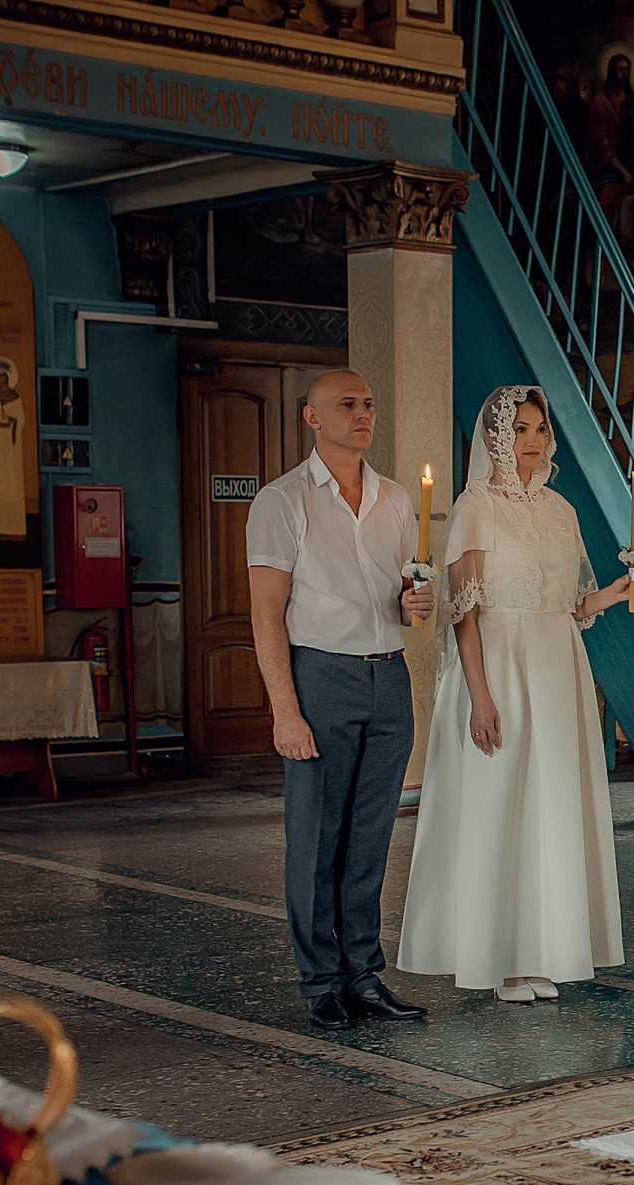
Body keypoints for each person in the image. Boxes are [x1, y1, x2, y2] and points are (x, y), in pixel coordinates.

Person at [398, 386, 634, 1003]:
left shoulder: (560, 508)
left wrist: (614, 591)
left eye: (539, 429)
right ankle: (498, 957)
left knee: (552, 805)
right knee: (500, 802)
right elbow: (463, 615)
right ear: (496, 438)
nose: (532, 441)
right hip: (498, 664)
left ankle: (542, 952)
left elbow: (572, 605)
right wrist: (479, 696)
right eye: (520, 429)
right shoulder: (475, 506)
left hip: (560, 667)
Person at [245, 369, 436, 1032]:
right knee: (317, 838)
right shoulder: (282, 500)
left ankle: (363, 974)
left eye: (369, 404)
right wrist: (284, 709)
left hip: (388, 677)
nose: (363, 414)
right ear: (312, 417)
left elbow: (402, 595)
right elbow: (266, 614)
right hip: (320, 677)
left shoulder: (394, 499)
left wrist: (413, 605)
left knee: (370, 838)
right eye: (347, 404)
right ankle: (321, 980)